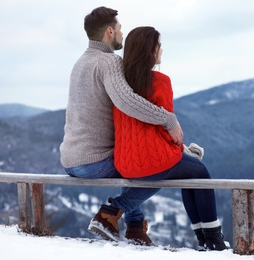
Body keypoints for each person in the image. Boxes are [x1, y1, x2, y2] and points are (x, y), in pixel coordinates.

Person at [60, 6, 183, 246]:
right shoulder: (109, 62)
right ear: (109, 31)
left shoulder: (80, 62)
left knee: (135, 163)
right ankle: (114, 216)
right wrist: (169, 119)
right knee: (151, 166)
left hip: (70, 160)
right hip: (94, 162)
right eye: (119, 29)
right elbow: (128, 102)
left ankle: (136, 228)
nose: (122, 35)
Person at [112, 26, 227, 251]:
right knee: (199, 172)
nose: (161, 50)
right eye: (159, 46)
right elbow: (166, 128)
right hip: (152, 160)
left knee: (191, 169)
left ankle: (207, 239)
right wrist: (182, 149)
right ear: (149, 51)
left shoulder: (119, 84)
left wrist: (182, 151)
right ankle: (211, 239)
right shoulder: (160, 81)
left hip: (124, 162)